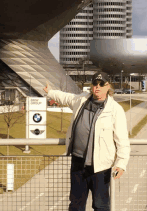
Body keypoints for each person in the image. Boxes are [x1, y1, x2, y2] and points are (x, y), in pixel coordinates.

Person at [43, 72, 130, 211]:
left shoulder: (115, 110)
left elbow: (122, 140)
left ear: (108, 86)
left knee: (100, 206)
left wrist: (121, 163)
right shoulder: (82, 100)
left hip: (100, 167)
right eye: (95, 84)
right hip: (78, 164)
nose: (97, 87)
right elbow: (66, 97)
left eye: (101, 84)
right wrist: (51, 92)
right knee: (76, 205)